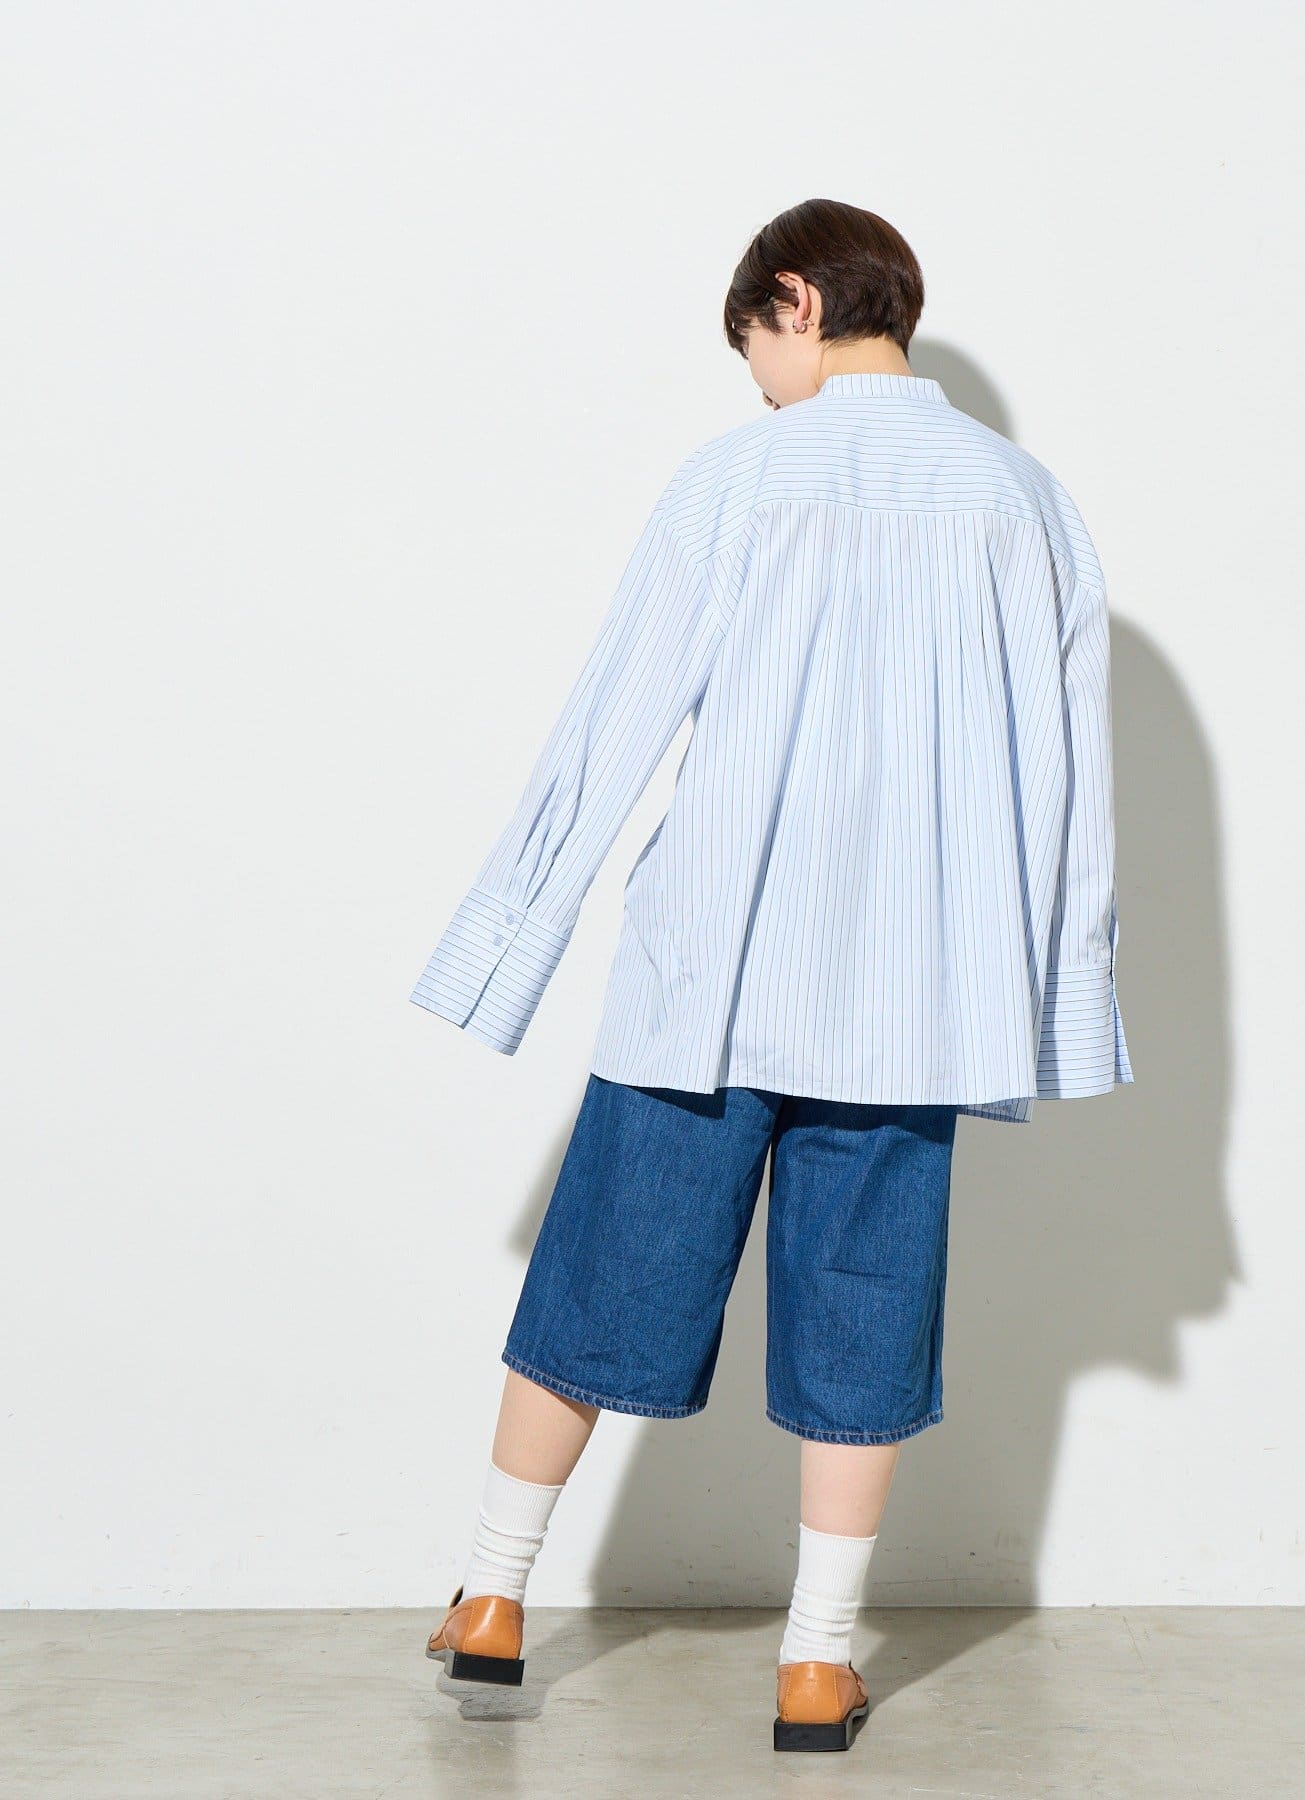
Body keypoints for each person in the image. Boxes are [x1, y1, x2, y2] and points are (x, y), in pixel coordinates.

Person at [410, 196, 1135, 1753]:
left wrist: (506, 945)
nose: (754, 381)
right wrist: (1060, 997)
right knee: (864, 1313)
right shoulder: (1025, 500)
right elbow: (1071, 776)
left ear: (794, 299)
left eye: (751, 343)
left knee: (597, 1278)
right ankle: (815, 1663)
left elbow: (615, 715)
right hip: (918, 1005)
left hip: (710, 983)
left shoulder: (736, 479)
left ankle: (491, 1599)